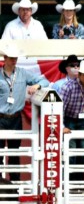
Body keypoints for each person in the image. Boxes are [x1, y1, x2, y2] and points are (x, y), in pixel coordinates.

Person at [0, 45, 48, 182]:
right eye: (12, 58)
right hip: (1, 117)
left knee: (15, 152)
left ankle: (14, 184)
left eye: (16, 58)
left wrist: (37, 86)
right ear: (5, 58)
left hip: (15, 118)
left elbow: (44, 80)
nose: (14, 60)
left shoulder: (23, 73)